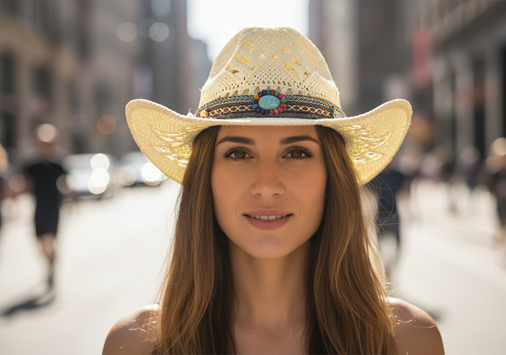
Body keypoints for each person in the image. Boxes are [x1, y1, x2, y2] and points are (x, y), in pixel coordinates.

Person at [103, 27, 444, 354]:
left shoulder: (408, 341)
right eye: (239, 153)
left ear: (332, 176)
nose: (267, 186)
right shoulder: (135, 345)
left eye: (296, 153)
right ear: (204, 177)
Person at [23, 124, 67, 289]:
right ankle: (50, 264)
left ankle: (51, 270)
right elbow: (25, 185)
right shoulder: (31, 165)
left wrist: (73, 199)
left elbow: (66, 184)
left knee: (49, 241)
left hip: (53, 208)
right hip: (38, 209)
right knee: (41, 244)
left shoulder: (58, 164)